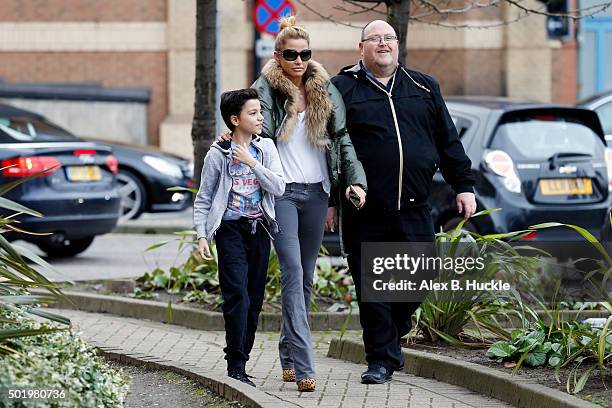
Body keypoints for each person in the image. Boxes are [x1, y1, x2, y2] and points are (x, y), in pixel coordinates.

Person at [331, 20, 477, 384]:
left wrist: (463, 185)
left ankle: (391, 338)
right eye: (375, 39)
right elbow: (330, 149)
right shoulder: (341, 89)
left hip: (414, 204)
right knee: (374, 287)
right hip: (364, 207)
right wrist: (331, 201)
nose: (383, 44)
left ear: (397, 46)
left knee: (418, 279)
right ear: (361, 46)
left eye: (389, 38)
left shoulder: (423, 87)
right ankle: (379, 361)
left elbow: (447, 139)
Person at [251, 16, 368, 392]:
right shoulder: (265, 92)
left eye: (305, 53)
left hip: (317, 194)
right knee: (291, 274)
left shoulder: (325, 90)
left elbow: (342, 142)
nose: (298, 60)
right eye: (291, 54)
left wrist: (355, 183)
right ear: (278, 55)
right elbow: (251, 128)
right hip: (282, 194)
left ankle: (286, 355)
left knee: (304, 279)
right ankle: (304, 367)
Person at [193, 88, 285, 387]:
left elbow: (279, 187)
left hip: (258, 230)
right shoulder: (217, 154)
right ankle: (236, 365)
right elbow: (204, 198)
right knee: (238, 298)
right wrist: (202, 236)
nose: (260, 117)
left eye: (260, 112)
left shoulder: (266, 148)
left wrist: (252, 163)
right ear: (235, 119)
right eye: (253, 113)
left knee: (255, 299)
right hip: (230, 231)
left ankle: (241, 357)